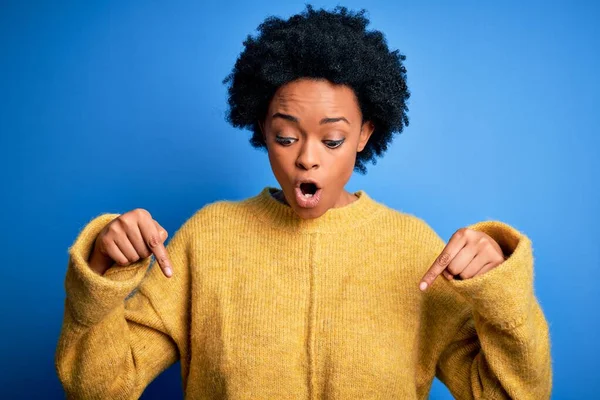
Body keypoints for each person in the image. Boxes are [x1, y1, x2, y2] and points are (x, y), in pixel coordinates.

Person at [55, 5, 552, 399]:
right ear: (263, 133)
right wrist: (101, 270)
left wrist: (501, 291)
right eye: (285, 136)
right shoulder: (206, 239)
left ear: (364, 134)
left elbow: (512, 394)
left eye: (332, 140)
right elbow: (101, 387)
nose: (307, 160)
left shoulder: (413, 248)